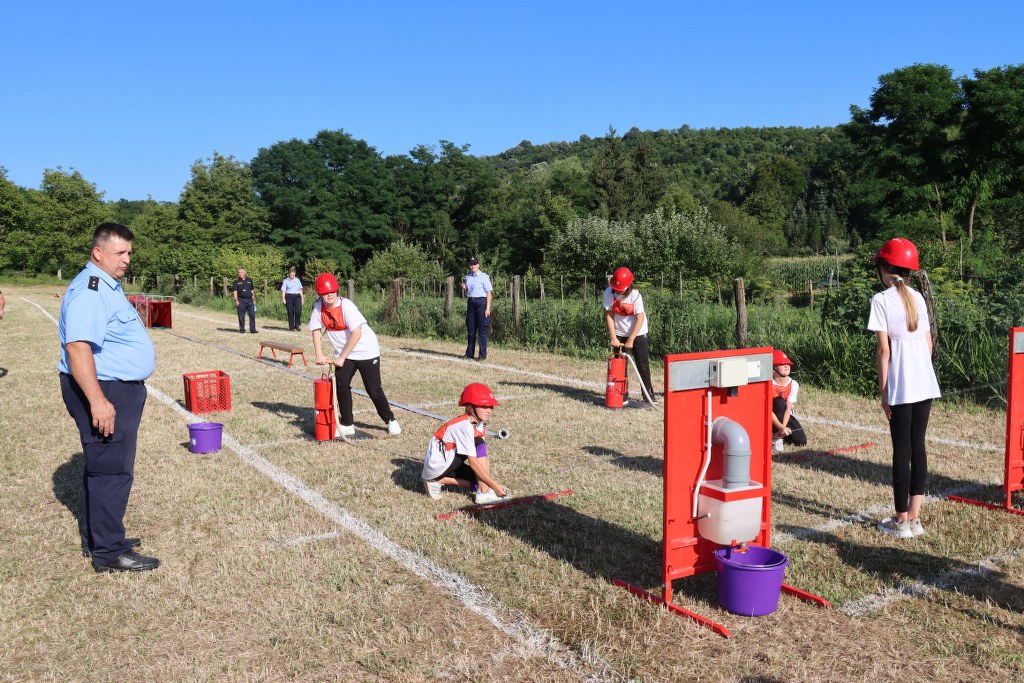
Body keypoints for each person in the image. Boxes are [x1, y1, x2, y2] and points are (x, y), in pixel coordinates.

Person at [58, 222, 159, 572]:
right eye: (120, 252)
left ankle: (100, 538)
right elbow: (77, 347)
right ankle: (108, 552)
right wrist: (99, 401)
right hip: (105, 389)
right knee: (112, 471)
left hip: (113, 387)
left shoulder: (105, 286)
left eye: (129, 252)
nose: (127, 259)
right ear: (98, 253)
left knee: (104, 467)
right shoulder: (91, 290)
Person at [867, 237, 941, 539]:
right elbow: (929, 345)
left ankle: (899, 522)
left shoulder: (880, 300)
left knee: (901, 450)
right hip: (925, 382)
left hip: (901, 385)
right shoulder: (918, 298)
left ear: (884, 269)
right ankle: (914, 517)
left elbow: (883, 351)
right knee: (918, 447)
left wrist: (884, 393)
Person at [309, 273, 400, 437]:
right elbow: (315, 330)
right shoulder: (318, 307)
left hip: (366, 351)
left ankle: (390, 420)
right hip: (345, 354)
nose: (329, 295)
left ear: (337, 290)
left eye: (332, 291)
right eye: (325, 292)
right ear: (319, 294)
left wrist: (341, 357)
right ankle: (347, 424)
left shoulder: (347, 306)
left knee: (373, 389)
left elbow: (356, 333)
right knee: (341, 385)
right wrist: (319, 354)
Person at [421, 382, 510, 504]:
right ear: (471, 407)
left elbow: (483, 456)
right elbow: (473, 462)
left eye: (491, 407)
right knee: (478, 444)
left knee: (479, 479)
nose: (489, 410)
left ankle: (439, 481)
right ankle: (483, 494)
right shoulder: (465, 426)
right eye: (484, 406)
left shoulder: (477, 423)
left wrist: (489, 484)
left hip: (447, 461)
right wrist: (495, 486)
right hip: (437, 465)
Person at [603, 267, 655, 404]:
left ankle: (648, 395)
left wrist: (631, 339)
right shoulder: (608, 292)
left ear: (629, 285)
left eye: (621, 289)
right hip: (619, 332)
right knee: (619, 365)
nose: (619, 291)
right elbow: (609, 315)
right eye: (617, 288)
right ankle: (622, 394)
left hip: (638, 332)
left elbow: (640, 318)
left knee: (642, 364)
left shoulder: (635, 295)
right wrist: (614, 337)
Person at [771, 349, 807, 453]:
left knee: (801, 441)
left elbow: (788, 409)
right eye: (782, 364)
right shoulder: (768, 384)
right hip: (770, 417)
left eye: (788, 364)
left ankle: (780, 436)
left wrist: (783, 427)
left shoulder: (793, 384)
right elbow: (768, 410)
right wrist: (780, 427)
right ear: (773, 369)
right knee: (779, 402)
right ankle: (775, 438)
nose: (786, 366)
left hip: (785, 417)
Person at [461, 257, 492, 361]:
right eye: (471, 264)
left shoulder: (484, 277)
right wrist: (465, 288)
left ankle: (482, 355)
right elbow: (468, 292)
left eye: (474, 264)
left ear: (478, 265)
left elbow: (489, 293)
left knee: (482, 330)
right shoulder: (468, 276)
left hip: (481, 303)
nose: (472, 266)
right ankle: (469, 353)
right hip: (471, 302)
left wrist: (487, 308)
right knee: (471, 330)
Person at [231, 267, 257, 333]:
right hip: (241, 300)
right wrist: (236, 300)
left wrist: (253, 299)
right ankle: (242, 329)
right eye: (239, 272)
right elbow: (235, 292)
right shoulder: (236, 281)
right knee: (241, 316)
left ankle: (252, 329)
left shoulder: (250, 280)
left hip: (250, 300)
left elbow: (252, 290)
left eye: (241, 272)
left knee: (252, 314)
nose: (240, 273)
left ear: (245, 273)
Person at [280, 267, 305, 331]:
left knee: (298, 310)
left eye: (293, 275)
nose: (292, 276)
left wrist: (302, 299)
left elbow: (300, 290)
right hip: (289, 296)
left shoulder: (297, 280)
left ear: (295, 274)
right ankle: (291, 327)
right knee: (290, 312)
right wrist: (283, 299)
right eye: (291, 275)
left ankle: (297, 325)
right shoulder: (286, 281)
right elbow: (283, 290)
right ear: (289, 274)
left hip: (297, 296)